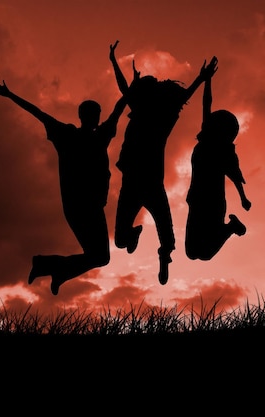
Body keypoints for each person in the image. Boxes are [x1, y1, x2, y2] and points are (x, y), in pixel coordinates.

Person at [0, 76, 127, 295]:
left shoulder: (87, 135)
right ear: (85, 116)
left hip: (82, 207)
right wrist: (10, 95)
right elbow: (38, 113)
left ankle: (51, 268)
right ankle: (48, 265)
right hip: (84, 207)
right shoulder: (77, 135)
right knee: (100, 257)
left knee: (99, 257)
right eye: (94, 114)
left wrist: (129, 87)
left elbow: (120, 106)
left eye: (97, 114)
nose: (97, 118)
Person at [109, 40, 218, 285]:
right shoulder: (155, 114)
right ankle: (141, 237)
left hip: (149, 184)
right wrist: (201, 78)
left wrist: (202, 79)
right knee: (121, 241)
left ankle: (163, 256)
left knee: (167, 239)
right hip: (134, 184)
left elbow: (126, 88)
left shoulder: (157, 116)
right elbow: (126, 88)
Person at [184, 57, 251, 261]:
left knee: (203, 254)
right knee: (191, 252)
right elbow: (207, 105)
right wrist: (207, 80)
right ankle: (230, 227)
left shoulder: (221, 150)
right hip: (196, 199)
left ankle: (231, 227)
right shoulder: (205, 142)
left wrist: (243, 197)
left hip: (212, 203)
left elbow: (234, 175)